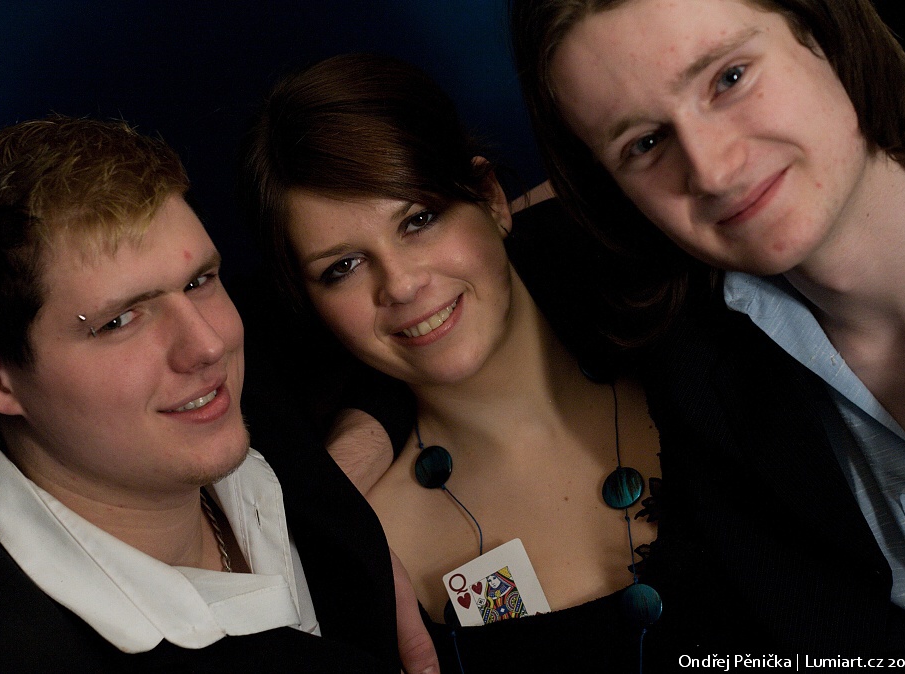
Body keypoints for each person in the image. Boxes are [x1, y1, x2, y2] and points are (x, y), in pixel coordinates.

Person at [510, 0, 905, 663]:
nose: (712, 171)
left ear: (825, 29)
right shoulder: (696, 351)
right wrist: (361, 441)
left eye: (729, 79)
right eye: (645, 144)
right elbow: (443, 279)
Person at [240, 53, 669, 672]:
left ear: (492, 198)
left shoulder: (692, 360)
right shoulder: (361, 546)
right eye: (343, 267)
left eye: (419, 220)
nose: (401, 284)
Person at [0, 116, 401, 672]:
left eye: (199, 281)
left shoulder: (243, 388)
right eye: (119, 321)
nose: (209, 345)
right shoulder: (4, 645)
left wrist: (365, 439)